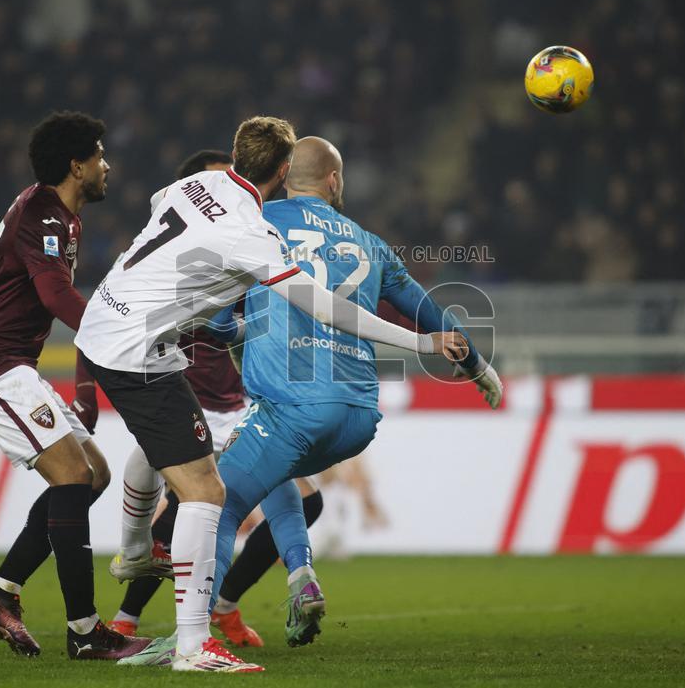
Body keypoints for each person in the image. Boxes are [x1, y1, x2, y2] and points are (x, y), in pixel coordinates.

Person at [74, 117, 465, 673]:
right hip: (139, 352)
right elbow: (327, 307)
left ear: (235, 154)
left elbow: (165, 207)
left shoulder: (190, 187)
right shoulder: (252, 235)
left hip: (111, 325)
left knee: (184, 472)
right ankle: (188, 642)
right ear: (283, 172)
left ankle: (139, 558)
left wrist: (202, 301)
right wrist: (419, 340)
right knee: (208, 494)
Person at [0, 112, 151, 660]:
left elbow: (58, 300)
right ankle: (84, 632)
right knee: (74, 473)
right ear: (77, 165)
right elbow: (58, 298)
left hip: (10, 362)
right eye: (100, 156)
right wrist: (119, 341)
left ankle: (1, 589)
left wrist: (88, 377)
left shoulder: (57, 214)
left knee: (91, 475)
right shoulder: (43, 214)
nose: (108, 166)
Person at [106, 150, 325, 649]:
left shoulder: (245, 244)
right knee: (187, 507)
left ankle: (223, 603)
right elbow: (111, 310)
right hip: (189, 402)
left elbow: (262, 318)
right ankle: (129, 617)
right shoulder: (174, 253)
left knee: (303, 502)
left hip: (243, 405)